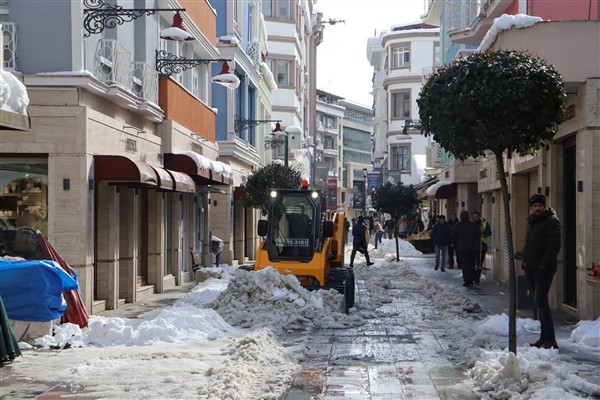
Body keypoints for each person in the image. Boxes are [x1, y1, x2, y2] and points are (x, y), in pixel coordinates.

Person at [521, 193, 561, 350]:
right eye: (535, 206)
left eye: (540, 205)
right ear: (531, 207)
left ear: (544, 206)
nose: (537, 208)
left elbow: (554, 246)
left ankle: (551, 339)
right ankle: (543, 338)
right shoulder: (532, 221)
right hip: (531, 267)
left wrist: (543, 265)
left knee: (541, 301)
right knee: (539, 302)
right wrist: (525, 260)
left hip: (544, 269)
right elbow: (529, 243)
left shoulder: (551, 221)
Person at [451, 210, 480, 288]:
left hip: (461, 248)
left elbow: (453, 236)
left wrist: (454, 244)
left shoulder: (457, 225)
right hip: (472, 248)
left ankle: (466, 280)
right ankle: (471, 279)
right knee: (471, 264)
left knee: (465, 265)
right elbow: (478, 235)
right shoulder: (473, 225)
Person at [471, 211, 492, 285]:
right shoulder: (471, 224)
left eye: (476, 217)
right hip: (473, 246)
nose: (475, 219)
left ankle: (477, 279)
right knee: (473, 263)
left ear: (479, 216)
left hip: (482, 246)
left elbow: (489, 233)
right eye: (474, 217)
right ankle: (473, 277)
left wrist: (483, 231)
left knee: (479, 263)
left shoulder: (484, 223)